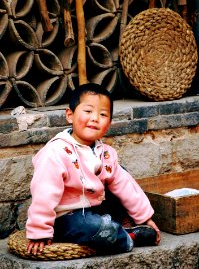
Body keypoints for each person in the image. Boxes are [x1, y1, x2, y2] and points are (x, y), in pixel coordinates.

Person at [26, 83, 161, 255]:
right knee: (93, 227)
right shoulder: (55, 152)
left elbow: (126, 187)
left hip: (95, 208)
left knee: (120, 173)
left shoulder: (105, 153)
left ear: (109, 123)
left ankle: (124, 225)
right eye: (88, 111)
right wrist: (39, 232)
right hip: (66, 218)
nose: (95, 118)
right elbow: (44, 193)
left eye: (103, 114)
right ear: (70, 115)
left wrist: (145, 218)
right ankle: (128, 237)